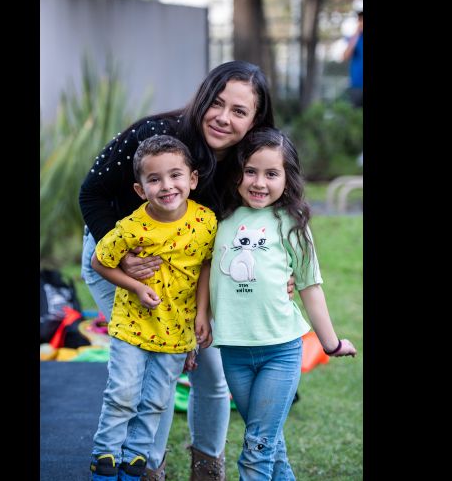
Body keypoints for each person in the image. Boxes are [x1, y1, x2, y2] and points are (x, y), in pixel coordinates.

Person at [79, 60, 286, 480]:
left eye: (239, 111)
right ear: (203, 97)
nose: (223, 117)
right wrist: (120, 257)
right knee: (152, 368)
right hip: (123, 265)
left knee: (212, 370)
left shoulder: (249, 162)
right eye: (217, 103)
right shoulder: (156, 135)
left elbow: (270, 212)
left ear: (255, 120)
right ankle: (146, 466)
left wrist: (284, 267)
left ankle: (207, 465)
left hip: (195, 274)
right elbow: (92, 192)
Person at [210, 127, 357, 480]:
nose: (259, 182)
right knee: (269, 443)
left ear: (287, 178)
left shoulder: (292, 224)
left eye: (272, 173)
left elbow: (310, 287)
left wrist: (331, 343)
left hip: (281, 351)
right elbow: (203, 273)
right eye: (250, 171)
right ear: (237, 172)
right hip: (233, 352)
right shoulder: (218, 219)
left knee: (256, 447)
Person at [88, 135, 216, 481]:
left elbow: (206, 265)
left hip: (176, 330)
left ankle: (135, 458)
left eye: (175, 175)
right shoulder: (131, 227)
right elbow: (99, 262)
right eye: (155, 179)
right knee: (123, 393)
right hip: (132, 325)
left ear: (192, 179)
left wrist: (202, 314)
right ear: (140, 189)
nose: (167, 186)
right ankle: (105, 455)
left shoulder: (205, 222)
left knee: (158, 400)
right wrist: (136, 286)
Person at [343, 10, 363, 108]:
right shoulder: (353, 38)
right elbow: (345, 56)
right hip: (357, 84)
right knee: (356, 114)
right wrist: (356, 34)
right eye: (360, 20)